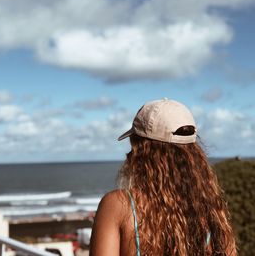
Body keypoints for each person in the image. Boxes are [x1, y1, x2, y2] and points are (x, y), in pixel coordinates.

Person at [89, 98, 237, 256]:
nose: (129, 154)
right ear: (194, 154)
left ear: (142, 151)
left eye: (133, 145)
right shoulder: (211, 211)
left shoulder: (119, 205)